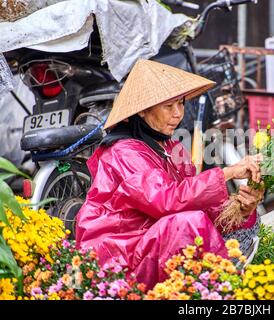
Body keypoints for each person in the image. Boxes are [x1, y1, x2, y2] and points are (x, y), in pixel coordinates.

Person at [75, 59, 264, 289]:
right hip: (119, 256)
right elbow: (168, 200)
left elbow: (197, 202)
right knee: (188, 223)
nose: (177, 114)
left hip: (150, 245)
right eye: (168, 106)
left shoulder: (173, 150)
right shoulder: (124, 152)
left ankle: (213, 287)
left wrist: (241, 208)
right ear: (143, 110)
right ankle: (222, 290)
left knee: (223, 219)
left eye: (181, 104)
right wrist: (226, 173)